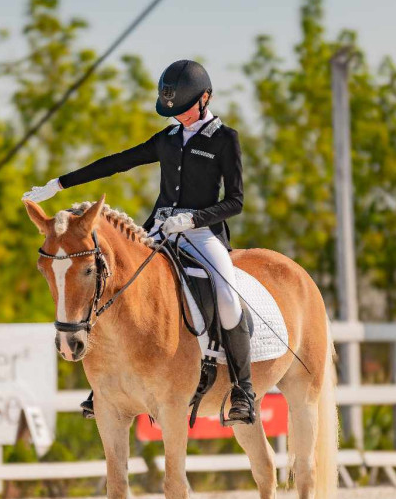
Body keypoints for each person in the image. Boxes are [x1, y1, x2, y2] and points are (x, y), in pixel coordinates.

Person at [22, 60, 257, 425]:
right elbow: (118, 162)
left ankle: (243, 389)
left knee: (227, 295)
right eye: (173, 111)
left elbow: (236, 201)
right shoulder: (166, 139)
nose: (177, 117)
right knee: (109, 282)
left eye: (183, 110)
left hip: (202, 233)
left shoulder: (225, 140)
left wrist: (194, 218)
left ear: (205, 99)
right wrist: (61, 184)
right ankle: (105, 384)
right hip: (159, 230)